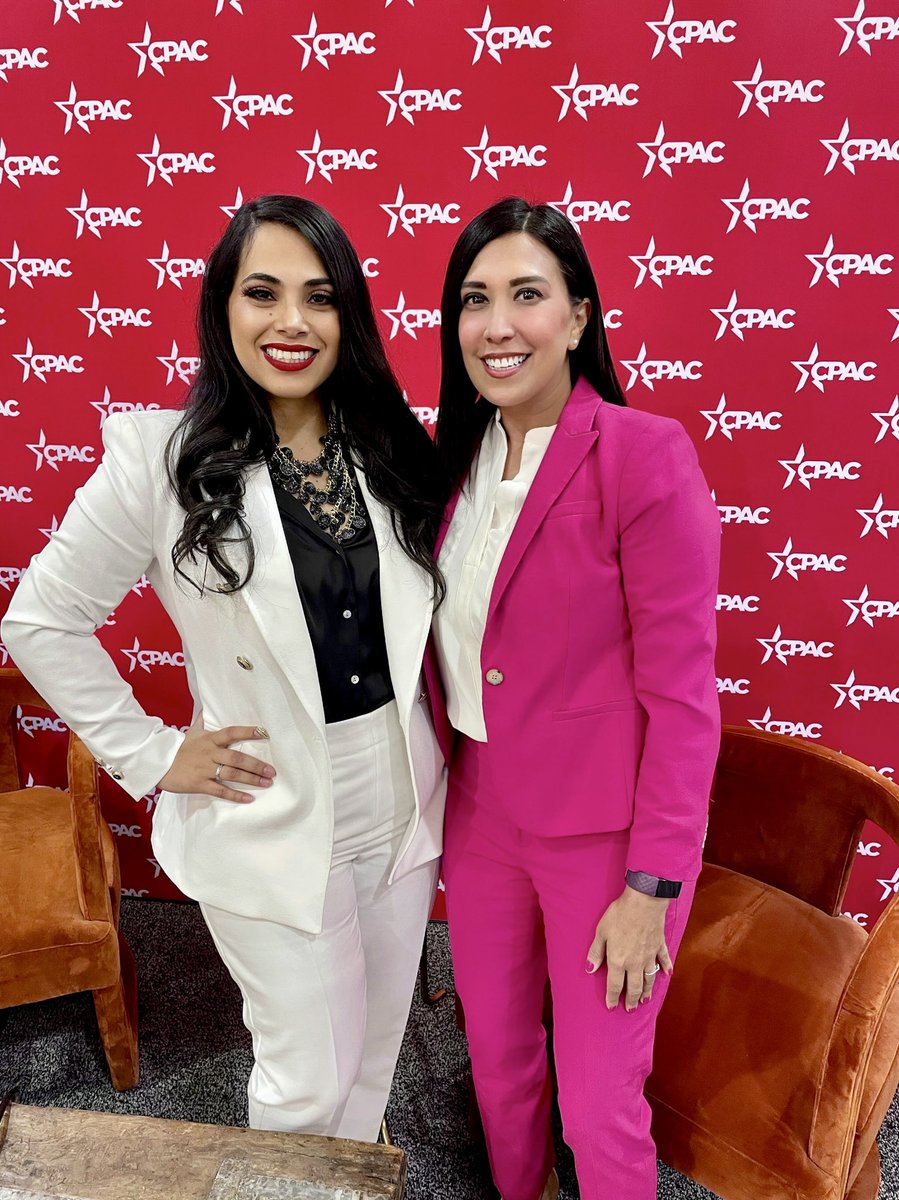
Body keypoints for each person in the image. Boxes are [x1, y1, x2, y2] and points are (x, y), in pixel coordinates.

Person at [2, 194, 448, 1141]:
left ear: (348, 317)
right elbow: (41, 619)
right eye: (263, 292)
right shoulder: (159, 460)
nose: (291, 321)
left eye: (319, 297)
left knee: (372, 1054)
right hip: (269, 801)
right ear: (222, 308)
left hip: (401, 792)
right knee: (303, 1079)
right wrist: (153, 755)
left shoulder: (392, 448)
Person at [426, 197, 721, 1200]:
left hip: (604, 842)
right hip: (478, 807)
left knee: (597, 1103)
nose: (496, 325)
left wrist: (651, 891)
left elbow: (683, 703)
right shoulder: (456, 464)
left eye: (525, 296)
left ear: (579, 317)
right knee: (501, 1063)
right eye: (474, 299)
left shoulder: (641, 456)